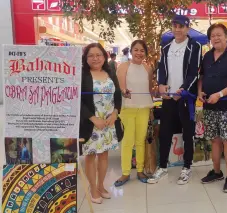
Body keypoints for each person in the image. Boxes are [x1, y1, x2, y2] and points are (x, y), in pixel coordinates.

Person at [147, 15, 202, 185]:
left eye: (181, 26)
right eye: (175, 26)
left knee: (187, 132)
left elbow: (195, 72)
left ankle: (187, 167)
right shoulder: (166, 47)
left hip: (186, 97)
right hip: (169, 97)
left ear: (187, 28)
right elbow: (161, 69)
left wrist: (184, 89)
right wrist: (161, 85)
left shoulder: (195, 46)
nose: (177, 29)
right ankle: (162, 167)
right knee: (165, 132)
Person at [198, 23, 227, 193]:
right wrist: (200, 92)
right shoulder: (207, 56)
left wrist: (220, 94)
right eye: (213, 35)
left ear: (226, 36)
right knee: (214, 140)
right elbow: (202, 77)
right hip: (209, 106)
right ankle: (216, 172)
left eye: (219, 35)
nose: (216, 38)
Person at [80, 43, 122, 204]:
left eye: (98, 55)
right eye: (91, 55)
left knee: (104, 155)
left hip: (108, 122)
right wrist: (92, 118)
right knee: (91, 156)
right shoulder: (83, 74)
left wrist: (115, 113)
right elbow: (78, 101)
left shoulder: (110, 72)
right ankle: (92, 188)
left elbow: (117, 95)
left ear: (104, 56)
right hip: (92, 123)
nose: (95, 58)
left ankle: (100, 185)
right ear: (86, 58)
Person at [114, 40, 153, 186]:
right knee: (127, 142)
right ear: (131, 51)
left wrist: (151, 109)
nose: (139, 53)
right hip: (127, 108)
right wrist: (124, 92)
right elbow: (121, 88)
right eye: (136, 50)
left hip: (144, 108)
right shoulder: (123, 67)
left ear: (145, 53)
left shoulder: (148, 69)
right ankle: (125, 173)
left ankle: (140, 170)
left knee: (140, 140)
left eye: (142, 50)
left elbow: (149, 89)